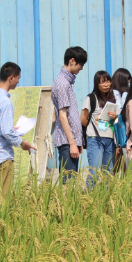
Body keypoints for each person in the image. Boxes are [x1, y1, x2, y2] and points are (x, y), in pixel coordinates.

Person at [0, 62, 35, 197]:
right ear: (11, 78)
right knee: (4, 198)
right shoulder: (5, 101)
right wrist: (23, 143)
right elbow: (6, 132)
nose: (18, 82)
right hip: (1, 155)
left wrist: (10, 129)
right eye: (18, 78)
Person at [52, 46, 86, 181]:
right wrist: (72, 143)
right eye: (81, 64)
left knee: (71, 182)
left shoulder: (67, 82)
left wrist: (78, 140)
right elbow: (62, 116)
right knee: (68, 184)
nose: (81, 68)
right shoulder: (62, 83)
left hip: (71, 141)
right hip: (67, 142)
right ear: (72, 61)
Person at [81, 70, 118, 180]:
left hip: (110, 139)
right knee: (94, 172)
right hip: (95, 139)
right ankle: (90, 191)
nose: (106, 84)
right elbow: (83, 119)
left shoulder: (113, 98)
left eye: (108, 81)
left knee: (108, 173)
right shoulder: (91, 98)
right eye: (102, 82)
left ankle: (106, 191)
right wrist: (97, 122)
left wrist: (115, 116)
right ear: (97, 84)